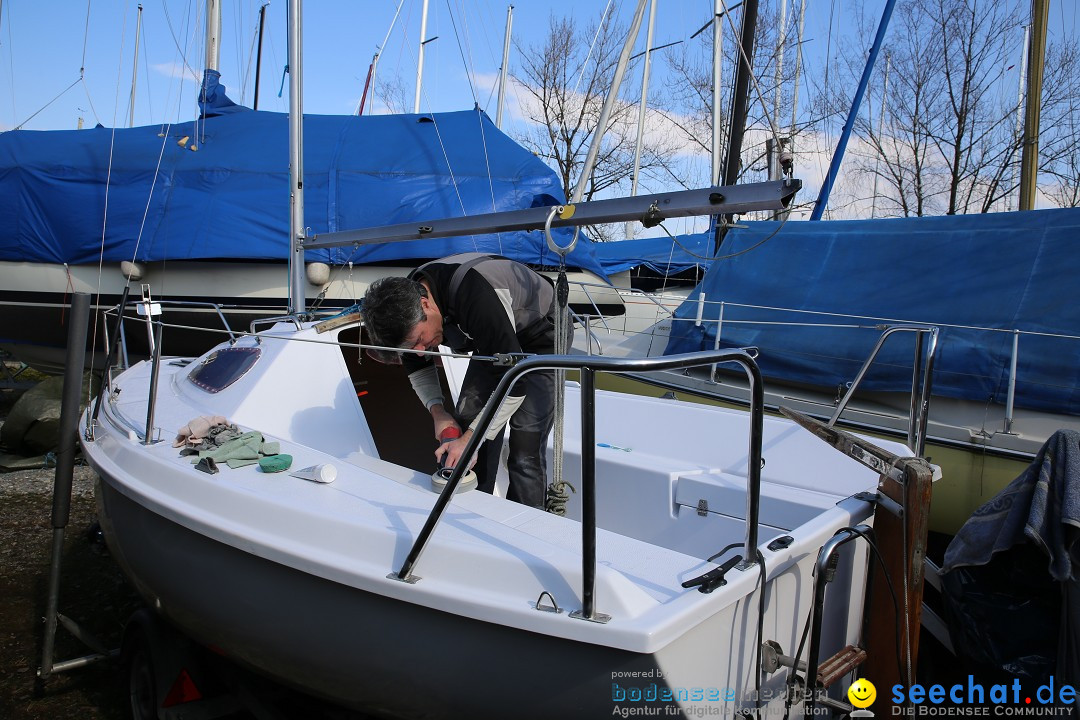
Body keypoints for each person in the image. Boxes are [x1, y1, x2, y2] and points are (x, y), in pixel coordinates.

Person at [361, 253, 568, 508]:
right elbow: (418, 364)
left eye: (419, 341)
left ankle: (526, 524)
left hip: (542, 337)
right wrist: (438, 413)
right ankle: (472, 511)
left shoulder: (475, 295)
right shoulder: (406, 309)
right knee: (468, 422)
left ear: (426, 305)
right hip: (495, 340)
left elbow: (516, 386)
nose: (420, 351)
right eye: (410, 347)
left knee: (525, 446)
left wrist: (469, 439)